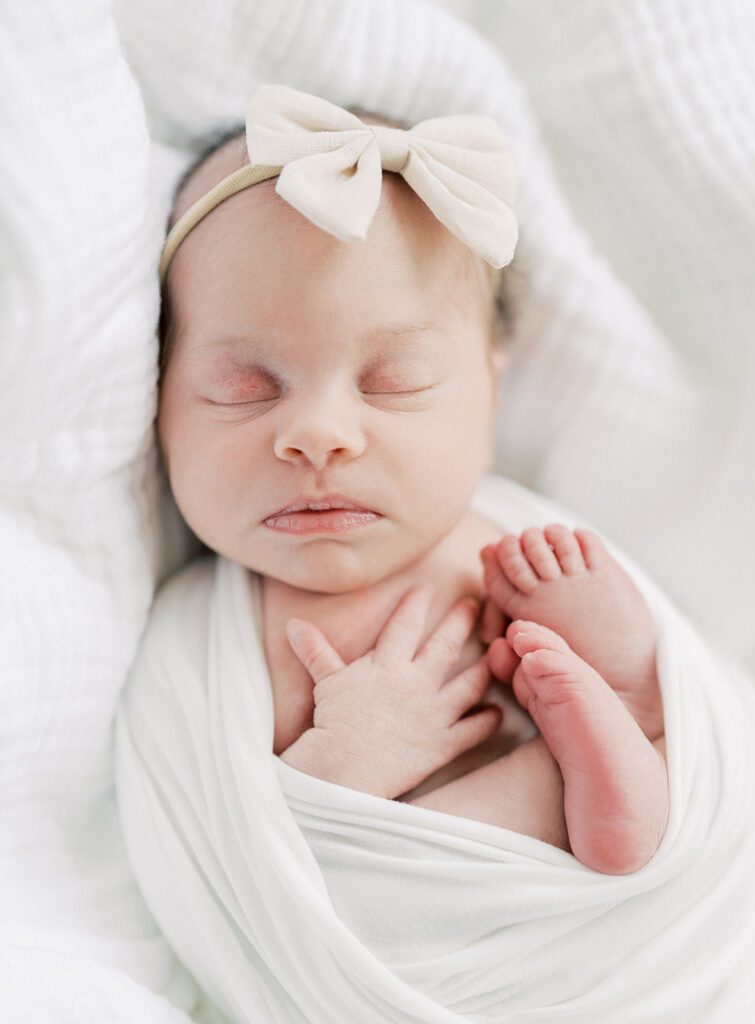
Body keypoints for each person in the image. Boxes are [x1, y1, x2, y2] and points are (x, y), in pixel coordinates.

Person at [155, 83, 668, 877]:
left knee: (632, 701)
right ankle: (605, 765)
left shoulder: (515, 551)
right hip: (403, 920)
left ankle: (629, 721)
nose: (319, 434)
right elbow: (230, 863)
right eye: (243, 389)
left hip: (640, 932)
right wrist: (348, 765)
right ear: (154, 401)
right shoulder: (189, 647)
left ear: (492, 393)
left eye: (395, 380)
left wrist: (621, 647)